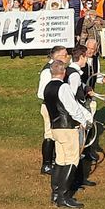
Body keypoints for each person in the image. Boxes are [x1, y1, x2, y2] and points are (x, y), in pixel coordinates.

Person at [44, 60, 93, 209]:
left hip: (55, 128)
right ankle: (63, 197)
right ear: (64, 72)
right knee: (72, 160)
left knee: (60, 160)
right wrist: (85, 121)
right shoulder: (63, 87)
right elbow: (72, 108)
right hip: (67, 127)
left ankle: (56, 193)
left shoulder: (48, 87)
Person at [66, 45, 98, 189]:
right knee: (77, 150)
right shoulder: (73, 74)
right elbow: (72, 97)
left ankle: (79, 179)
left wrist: (85, 87)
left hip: (77, 114)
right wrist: (81, 117)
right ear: (81, 57)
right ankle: (75, 181)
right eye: (86, 57)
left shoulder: (74, 73)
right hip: (76, 116)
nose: (87, 59)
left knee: (79, 149)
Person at [37, 46, 69, 175]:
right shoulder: (47, 72)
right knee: (49, 134)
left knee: (57, 134)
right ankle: (46, 165)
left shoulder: (59, 68)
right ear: (56, 56)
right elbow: (41, 93)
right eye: (65, 55)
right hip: (50, 107)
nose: (67, 57)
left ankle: (56, 160)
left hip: (57, 107)